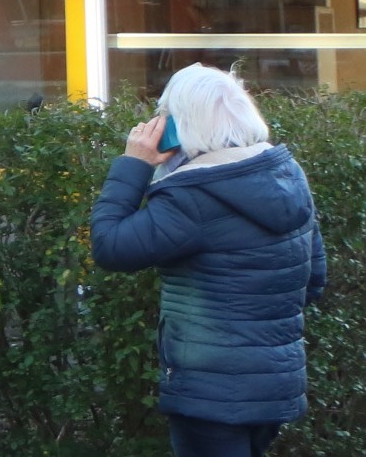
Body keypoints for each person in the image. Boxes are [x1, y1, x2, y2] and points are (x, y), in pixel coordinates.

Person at [90, 64, 328, 457]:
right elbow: (314, 281)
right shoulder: (286, 174)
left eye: (163, 115)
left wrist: (133, 163)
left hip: (210, 392)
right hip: (275, 385)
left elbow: (110, 246)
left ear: (180, 124)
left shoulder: (193, 196)